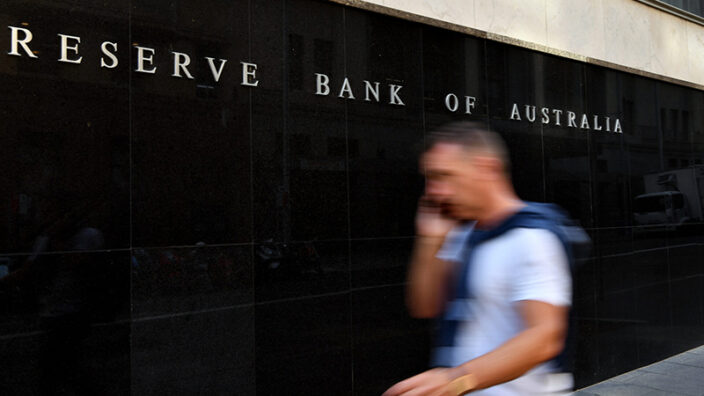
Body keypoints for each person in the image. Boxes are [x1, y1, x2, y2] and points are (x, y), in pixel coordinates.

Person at [384, 122, 577, 396]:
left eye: (444, 176)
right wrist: (429, 241)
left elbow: (544, 338)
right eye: (430, 179)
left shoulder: (531, 237)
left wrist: (456, 381)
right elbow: (426, 306)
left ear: (486, 169)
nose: (434, 191)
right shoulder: (463, 234)